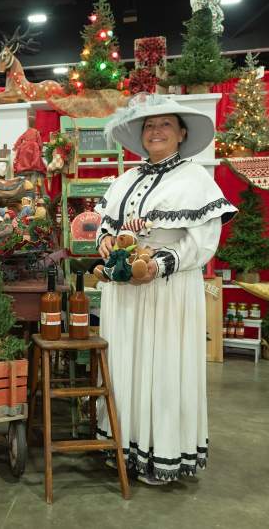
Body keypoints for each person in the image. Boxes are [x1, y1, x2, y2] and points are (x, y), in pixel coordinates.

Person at [94, 94, 237, 485]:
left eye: (165, 125)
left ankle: (162, 454)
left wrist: (158, 265)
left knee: (162, 367)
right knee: (124, 366)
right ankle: (122, 447)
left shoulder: (194, 179)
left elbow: (204, 242)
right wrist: (106, 241)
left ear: (182, 134)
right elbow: (108, 226)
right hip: (124, 296)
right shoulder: (126, 178)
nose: (155, 132)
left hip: (167, 292)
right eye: (149, 126)